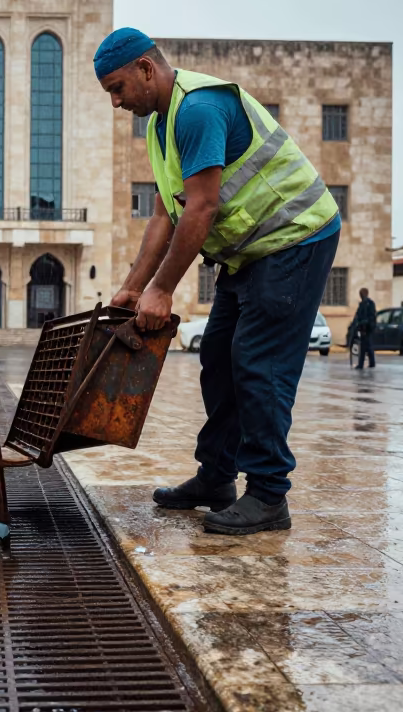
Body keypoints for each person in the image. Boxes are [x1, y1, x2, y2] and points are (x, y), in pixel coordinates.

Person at [95, 27, 341, 536]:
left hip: (294, 237)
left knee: (257, 361)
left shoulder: (198, 110)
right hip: (249, 252)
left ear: (146, 69)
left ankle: (270, 495)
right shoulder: (160, 126)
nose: (116, 102)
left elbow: (202, 208)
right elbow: (166, 210)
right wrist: (134, 286)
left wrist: (162, 290)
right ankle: (216, 478)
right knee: (219, 358)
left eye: (118, 88)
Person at [350, 287, 377, 370]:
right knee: (366, 346)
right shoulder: (362, 304)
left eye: (362, 294)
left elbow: (371, 316)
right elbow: (358, 315)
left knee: (366, 346)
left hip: (368, 328)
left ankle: (363, 364)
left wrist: (366, 324)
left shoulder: (370, 304)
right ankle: (370, 363)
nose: (361, 296)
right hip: (362, 328)